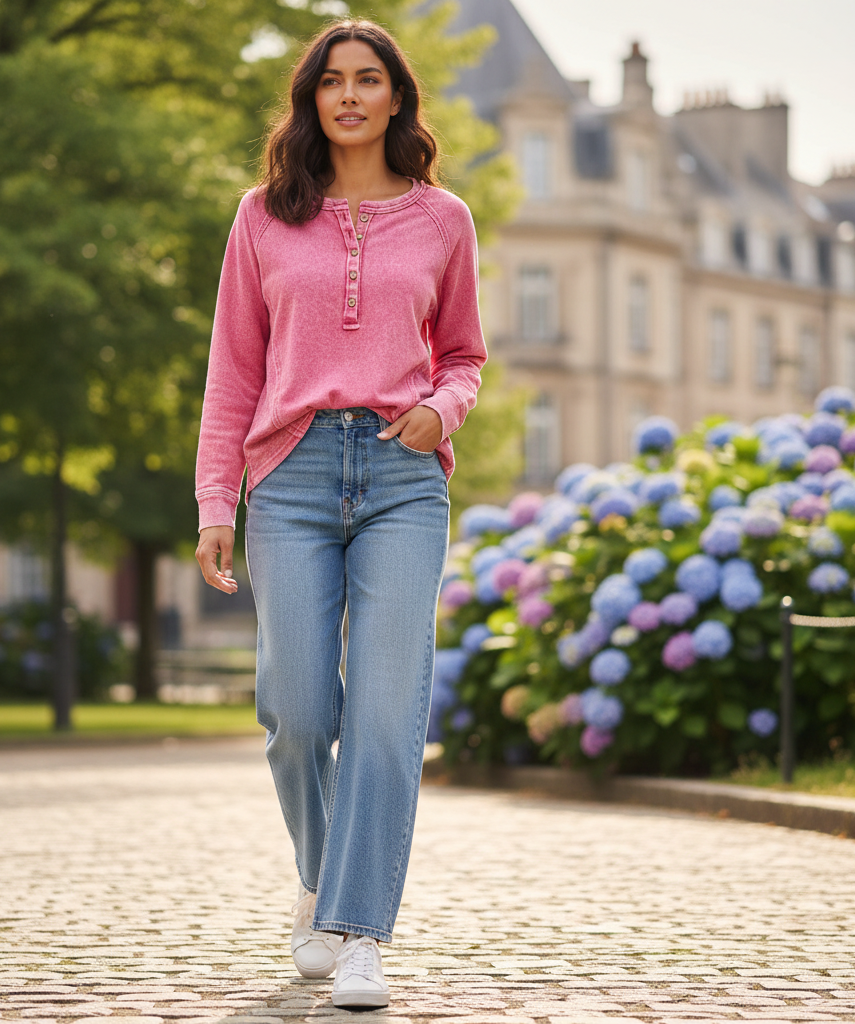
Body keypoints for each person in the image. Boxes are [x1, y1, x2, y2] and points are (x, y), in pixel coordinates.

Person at [194, 17, 486, 1010]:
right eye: (333, 81)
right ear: (311, 99)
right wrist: (215, 500)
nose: (350, 96)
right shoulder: (262, 216)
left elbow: (465, 357)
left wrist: (438, 411)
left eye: (369, 80)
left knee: (384, 713)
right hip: (290, 475)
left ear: (398, 97)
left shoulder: (444, 220)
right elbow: (232, 370)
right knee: (295, 709)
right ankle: (322, 880)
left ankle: (359, 931)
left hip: (404, 477)